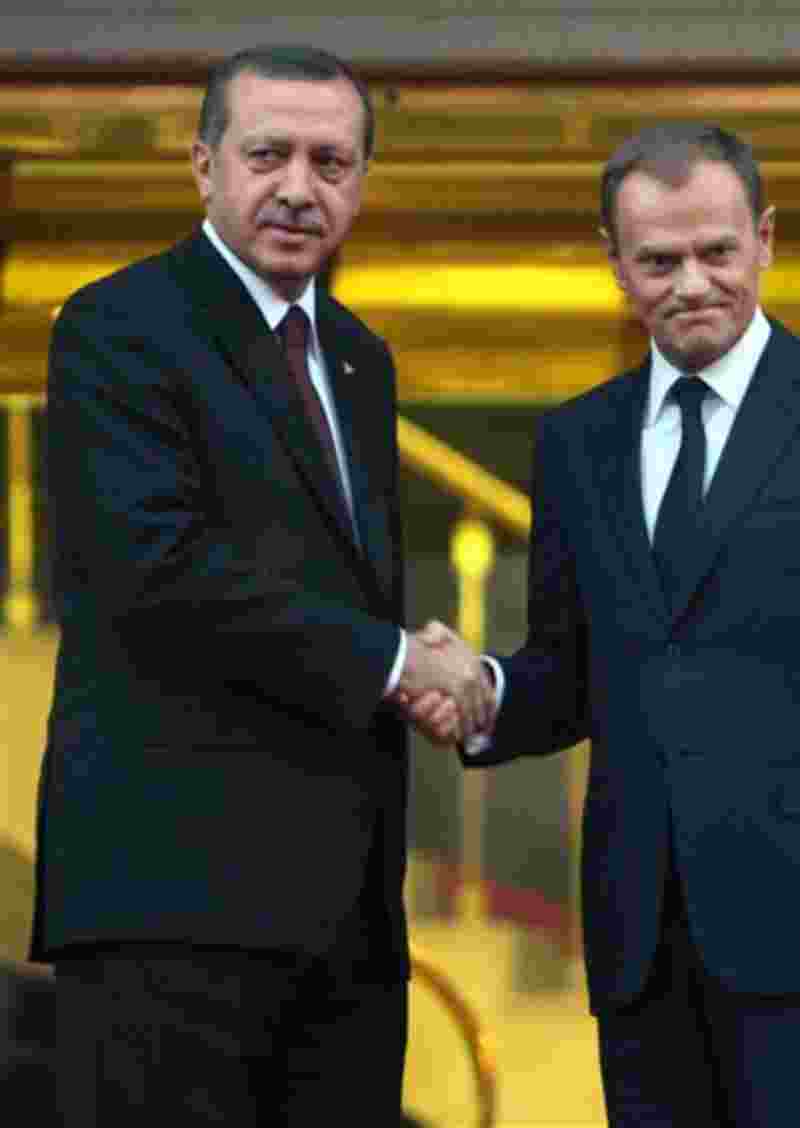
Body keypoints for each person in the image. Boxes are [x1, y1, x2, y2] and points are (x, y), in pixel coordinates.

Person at [410, 123, 800, 1126]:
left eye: (716, 253)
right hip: (644, 949)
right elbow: (576, 670)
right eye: (658, 261)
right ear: (614, 262)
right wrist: (484, 692)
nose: (691, 284)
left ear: (764, 238)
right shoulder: (577, 443)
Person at [31, 45, 490, 1126]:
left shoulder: (359, 360)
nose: (299, 187)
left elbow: (340, 587)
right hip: (173, 904)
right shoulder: (117, 326)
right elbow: (160, 568)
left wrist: (413, 668)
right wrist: (393, 661)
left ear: (362, 185)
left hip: (344, 920)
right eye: (267, 153)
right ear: (203, 166)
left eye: (331, 162)